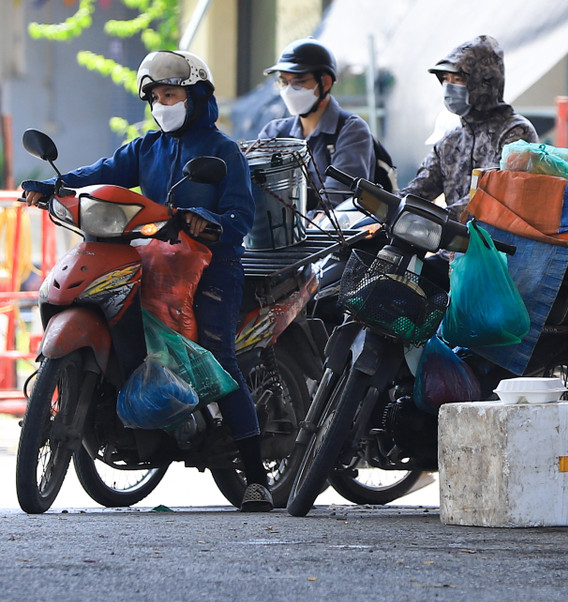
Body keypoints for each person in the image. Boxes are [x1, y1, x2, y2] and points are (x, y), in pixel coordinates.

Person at [21, 50, 274, 512]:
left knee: (219, 357)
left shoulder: (223, 152)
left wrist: (207, 221)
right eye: (155, 97)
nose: (162, 104)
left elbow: (240, 217)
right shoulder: (146, 147)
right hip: (152, 260)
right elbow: (99, 175)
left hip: (212, 267)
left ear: (196, 98)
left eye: (171, 94)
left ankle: (257, 478)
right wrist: (54, 186)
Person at [401, 34, 538, 220]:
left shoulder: (515, 133)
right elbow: (419, 188)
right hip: (453, 245)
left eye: (458, 80)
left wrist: (438, 219)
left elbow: (491, 196)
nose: (449, 88)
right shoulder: (450, 141)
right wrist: (387, 207)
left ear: (483, 83)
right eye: (446, 79)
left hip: (497, 246)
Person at [259, 38, 376, 210]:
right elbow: (258, 189)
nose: (289, 90)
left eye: (298, 81)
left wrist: (310, 222)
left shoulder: (350, 130)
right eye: (283, 82)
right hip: (279, 234)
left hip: (334, 234)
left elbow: (338, 196)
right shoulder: (274, 133)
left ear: (325, 82)